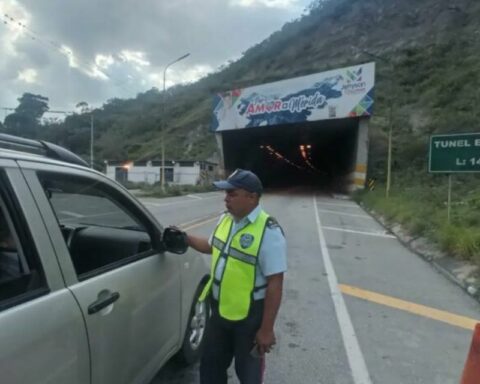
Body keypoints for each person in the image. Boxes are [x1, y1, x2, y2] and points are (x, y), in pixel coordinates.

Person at [185, 169, 287, 384]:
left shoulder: (269, 231)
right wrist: (185, 237)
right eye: (226, 194)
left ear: (251, 197)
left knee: (248, 375)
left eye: (232, 194)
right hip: (219, 313)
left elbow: (275, 283)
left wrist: (266, 329)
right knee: (210, 370)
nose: (226, 199)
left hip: (249, 319)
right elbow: (212, 247)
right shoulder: (226, 220)